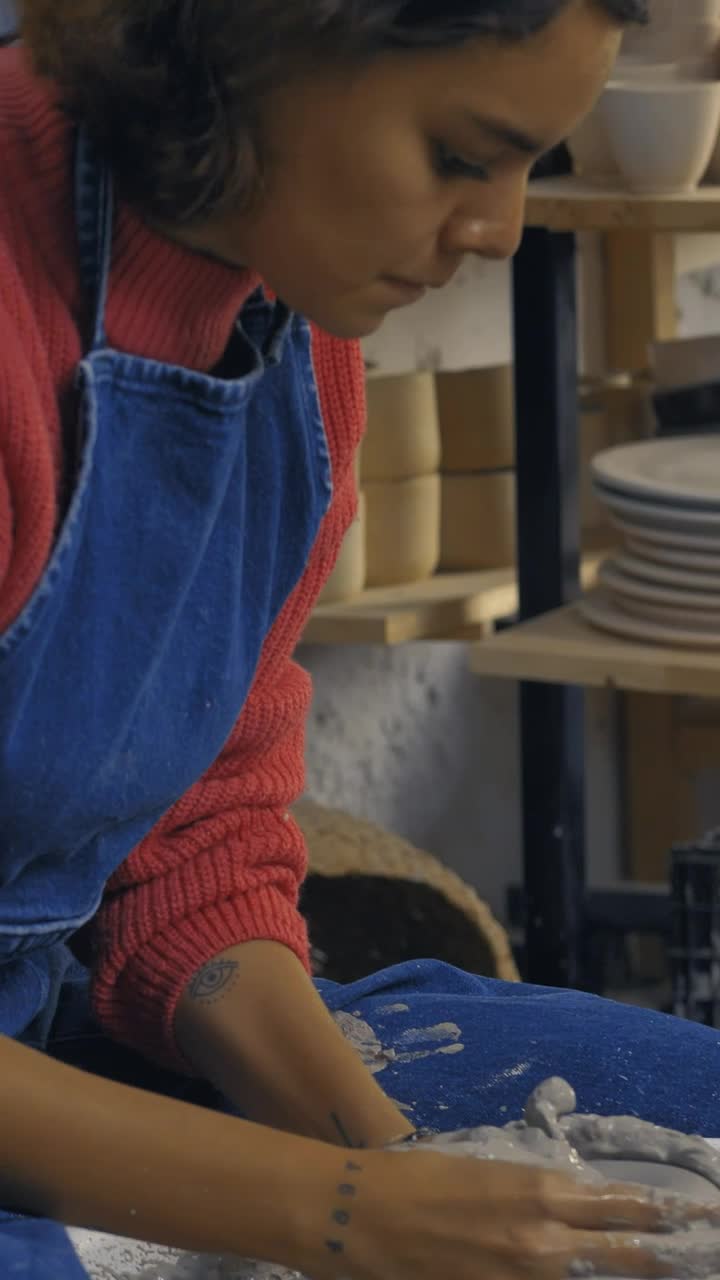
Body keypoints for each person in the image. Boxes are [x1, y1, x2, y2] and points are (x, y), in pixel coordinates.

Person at [3, 1, 720, 1277]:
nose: (501, 232)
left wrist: (403, 1159)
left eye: (530, 167)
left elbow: (197, 836)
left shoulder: (300, 326)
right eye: (460, 156)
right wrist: (346, 1213)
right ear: (253, 42)